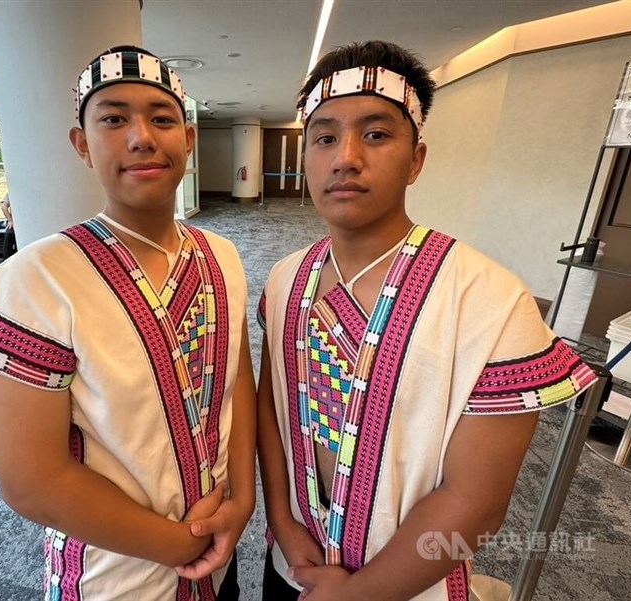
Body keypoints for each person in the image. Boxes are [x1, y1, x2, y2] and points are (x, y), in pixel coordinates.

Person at [256, 40, 598, 601]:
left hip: (412, 586)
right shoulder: (285, 279)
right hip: (293, 565)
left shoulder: (490, 301)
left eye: (375, 134)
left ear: (416, 159)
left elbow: (477, 501)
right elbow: (273, 412)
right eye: (324, 137)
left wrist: (361, 593)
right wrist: (286, 528)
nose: (345, 157)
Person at [0, 45, 255, 600]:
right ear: (82, 145)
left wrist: (243, 500)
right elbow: (32, 482)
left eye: (162, 118)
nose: (142, 137)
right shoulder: (38, 279)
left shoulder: (223, 255)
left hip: (219, 555)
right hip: (115, 576)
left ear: (189, 138)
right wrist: (179, 544)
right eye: (113, 119)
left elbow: (238, 386)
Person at [0, 192, 17, 260]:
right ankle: (6, 261)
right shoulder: (12, 191)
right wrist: (10, 220)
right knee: (10, 234)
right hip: (15, 220)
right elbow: (3, 206)